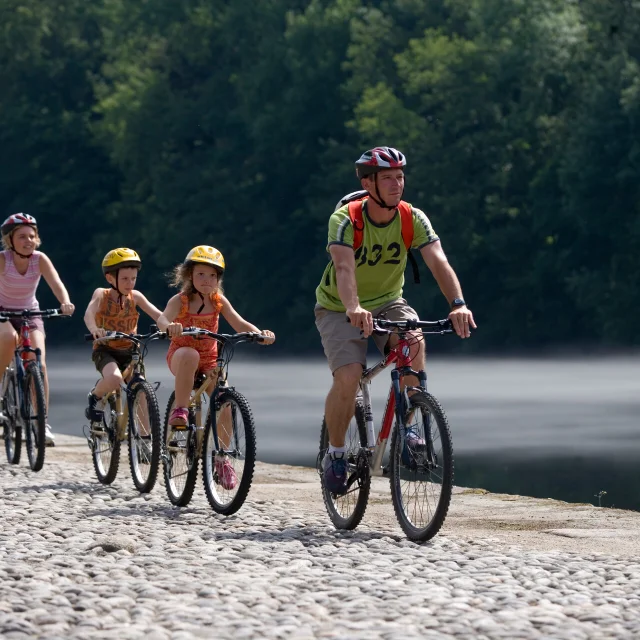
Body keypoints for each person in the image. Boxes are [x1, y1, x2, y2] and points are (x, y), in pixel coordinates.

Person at [315, 146, 476, 494]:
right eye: (388, 177)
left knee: (413, 339)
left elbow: (438, 261)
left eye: (400, 176)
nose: (397, 183)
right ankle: (337, 453)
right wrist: (354, 308)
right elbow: (344, 268)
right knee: (349, 376)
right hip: (338, 306)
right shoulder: (346, 218)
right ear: (367, 182)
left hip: (389, 302)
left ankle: (409, 429)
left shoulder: (412, 218)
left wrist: (458, 304)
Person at [156, 245, 275, 489]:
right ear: (189, 275)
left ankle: (222, 459)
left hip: (209, 360)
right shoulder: (181, 300)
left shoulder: (218, 301)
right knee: (189, 354)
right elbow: (162, 318)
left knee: (225, 403)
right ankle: (180, 410)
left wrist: (259, 333)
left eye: (212, 275)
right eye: (201, 274)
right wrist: (170, 326)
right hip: (181, 355)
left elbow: (239, 323)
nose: (207, 280)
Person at [0, 213, 75, 446]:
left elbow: (56, 283)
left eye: (32, 236)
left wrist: (65, 302)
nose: (28, 240)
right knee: (8, 337)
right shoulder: (3, 260)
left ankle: (41, 423)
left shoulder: (39, 259)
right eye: (22, 236)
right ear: (10, 240)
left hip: (30, 312)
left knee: (38, 362)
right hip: (2, 312)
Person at [84, 248, 162, 422]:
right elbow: (89, 314)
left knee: (141, 392)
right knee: (114, 378)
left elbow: (159, 316)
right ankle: (95, 396)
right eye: (125, 279)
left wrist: (171, 326)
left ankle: (146, 441)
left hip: (131, 352)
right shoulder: (101, 294)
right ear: (110, 278)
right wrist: (94, 329)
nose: (130, 283)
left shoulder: (136, 297)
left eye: (133, 279)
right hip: (106, 350)